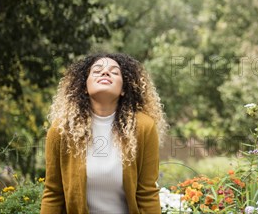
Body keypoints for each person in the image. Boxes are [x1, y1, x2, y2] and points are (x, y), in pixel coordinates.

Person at [40, 53, 168, 214]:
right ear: (84, 87)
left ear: (123, 89)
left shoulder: (143, 127)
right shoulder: (62, 130)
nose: (105, 72)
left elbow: (147, 193)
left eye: (114, 72)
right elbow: (53, 193)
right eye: (97, 71)